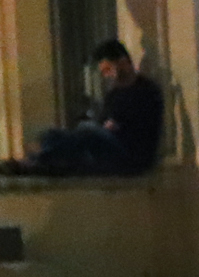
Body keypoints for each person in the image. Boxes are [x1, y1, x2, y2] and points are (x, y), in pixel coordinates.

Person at [10, 41, 161, 176]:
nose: (106, 76)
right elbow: (104, 123)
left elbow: (140, 128)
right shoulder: (114, 94)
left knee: (87, 131)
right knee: (52, 135)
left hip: (131, 154)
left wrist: (113, 126)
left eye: (108, 70)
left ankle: (37, 162)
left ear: (122, 63)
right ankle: (41, 160)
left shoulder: (147, 90)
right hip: (108, 146)